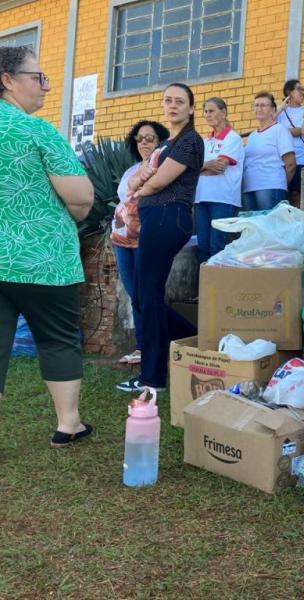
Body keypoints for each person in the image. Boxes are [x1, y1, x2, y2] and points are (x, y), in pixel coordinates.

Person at [0, 46, 95, 446]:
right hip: (44, 259)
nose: (46, 87)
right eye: (38, 77)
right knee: (57, 339)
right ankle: (67, 424)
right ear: (7, 80)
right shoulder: (34, 130)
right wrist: (64, 218)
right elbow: (81, 197)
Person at [116, 82, 202, 393]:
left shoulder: (190, 141)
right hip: (153, 218)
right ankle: (196, 338)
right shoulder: (167, 145)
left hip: (169, 217)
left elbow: (153, 184)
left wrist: (144, 183)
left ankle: (152, 378)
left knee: (148, 295)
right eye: (168, 100)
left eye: (180, 101)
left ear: (191, 108)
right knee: (141, 295)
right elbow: (132, 185)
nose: (173, 105)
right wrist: (141, 182)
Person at [111, 119, 170, 366]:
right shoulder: (131, 170)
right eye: (140, 138)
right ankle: (142, 347)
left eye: (150, 138)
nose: (144, 143)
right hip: (121, 239)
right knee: (135, 295)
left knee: (148, 295)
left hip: (146, 239)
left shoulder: (164, 167)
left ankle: (158, 348)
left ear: (160, 142)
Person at [195, 97, 243, 264]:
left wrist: (199, 167)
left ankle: (216, 288)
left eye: (211, 111)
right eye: (205, 112)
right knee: (202, 247)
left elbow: (220, 167)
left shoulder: (233, 138)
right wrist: (206, 165)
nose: (207, 115)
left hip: (222, 199)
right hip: (201, 198)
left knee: (217, 246)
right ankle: (204, 288)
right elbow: (191, 169)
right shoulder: (204, 141)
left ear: (223, 112)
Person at [242, 91, 296, 211]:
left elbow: (290, 164)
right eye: (256, 105)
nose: (259, 108)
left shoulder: (280, 130)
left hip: (270, 186)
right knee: (253, 227)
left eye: (263, 105)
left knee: (269, 226)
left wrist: (280, 183)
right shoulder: (252, 136)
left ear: (273, 110)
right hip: (248, 188)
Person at [276, 79, 304, 207]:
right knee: (283, 195)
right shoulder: (281, 112)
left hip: (301, 158)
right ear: (289, 92)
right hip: (282, 159)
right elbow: (268, 123)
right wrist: (281, 107)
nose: (303, 92)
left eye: (303, 89)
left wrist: (282, 131)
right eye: (299, 89)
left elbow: (303, 131)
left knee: (296, 194)